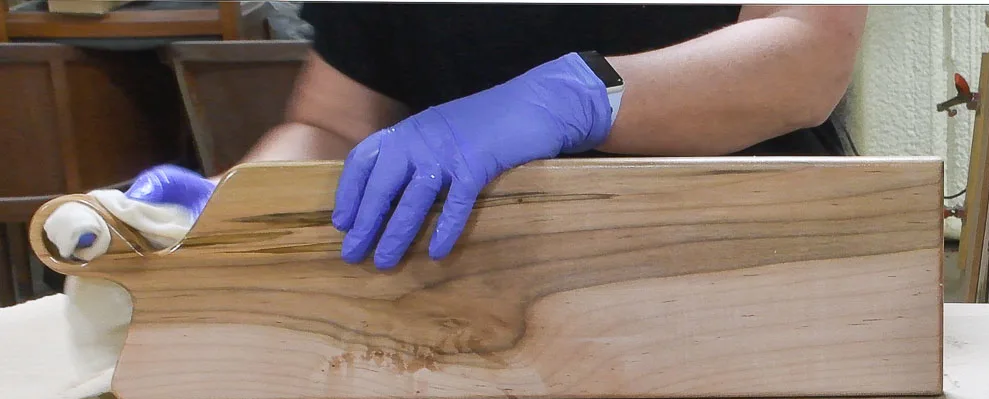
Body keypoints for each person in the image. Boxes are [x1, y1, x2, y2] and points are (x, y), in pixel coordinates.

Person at [58, 3, 867, 270]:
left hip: (743, 265)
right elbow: (334, 122)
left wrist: (576, 97)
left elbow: (805, 54)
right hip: (460, 299)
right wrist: (234, 208)